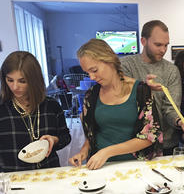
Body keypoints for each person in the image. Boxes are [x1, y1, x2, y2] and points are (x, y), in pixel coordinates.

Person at [68, 39, 162, 170]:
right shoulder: (91, 95)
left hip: (136, 165)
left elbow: (150, 136)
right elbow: (92, 133)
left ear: (110, 60)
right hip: (100, 166)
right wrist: (84, 151)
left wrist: (107, 151)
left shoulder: (141, 91)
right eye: (87, 73)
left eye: (94, 70)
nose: (92, 77)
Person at [120, 20, 184, 153]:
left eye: (166, 45)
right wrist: (143, 89)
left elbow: (170, 109)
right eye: (158, 45)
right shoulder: (126, 65)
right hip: (134, 142)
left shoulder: (171, 70)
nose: (163, 50)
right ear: (143, 41)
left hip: (167, 144)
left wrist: (181, 123)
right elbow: (121, 101)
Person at [0, 51, 71, 172]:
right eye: (10, 80)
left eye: (22, 81)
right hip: (11, 176)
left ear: (34, 80)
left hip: (49, 174)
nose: (15, 87)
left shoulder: (51, 105)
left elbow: (65, 136)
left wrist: (55, 140)